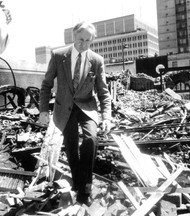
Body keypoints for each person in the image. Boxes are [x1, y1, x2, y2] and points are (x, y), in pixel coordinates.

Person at [39, 21, 112, 205]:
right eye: (81, 39)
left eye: (88, 41)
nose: (83, 44)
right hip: (64, 107)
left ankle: (83, 189)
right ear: (73, 36)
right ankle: (81, 187)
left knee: (90, 140)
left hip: (87, 107)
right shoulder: (58, 55)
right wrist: (43, 111)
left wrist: (107, 117)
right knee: (71, 146)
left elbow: (103, 92)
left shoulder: (96, 60)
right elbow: (46, 85)